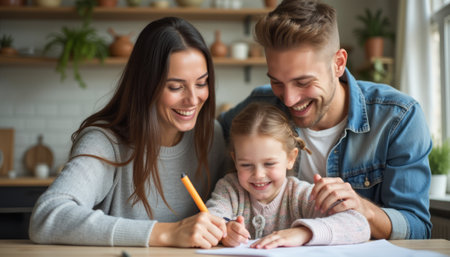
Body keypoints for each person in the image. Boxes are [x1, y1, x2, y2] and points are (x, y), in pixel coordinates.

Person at [218, 0, 432, 240]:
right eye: (277, 81)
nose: (288, 99)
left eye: (303, 82)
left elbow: (418, 229)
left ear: (338, 63)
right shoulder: (260, 105)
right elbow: (208, 133)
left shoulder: (397, 118)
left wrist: (364, 210)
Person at [29, 17, 229, 248]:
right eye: (176, 87)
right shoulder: (105, 142)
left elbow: (229, 203)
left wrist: (228, 226)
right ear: (146, 85)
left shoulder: (210, 135)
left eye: (202, 83)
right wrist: (166, 233)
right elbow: (46, 217)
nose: (193, 100)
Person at [207, 102, 370, 249]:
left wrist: (304, 233)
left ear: (290, 158)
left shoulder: (300, 195)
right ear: (235, 160)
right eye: (246, 165)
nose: (258, 175)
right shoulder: (229, 189)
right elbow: (211, 219)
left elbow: (359, 225)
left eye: (269, 164)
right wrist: (226, 230)